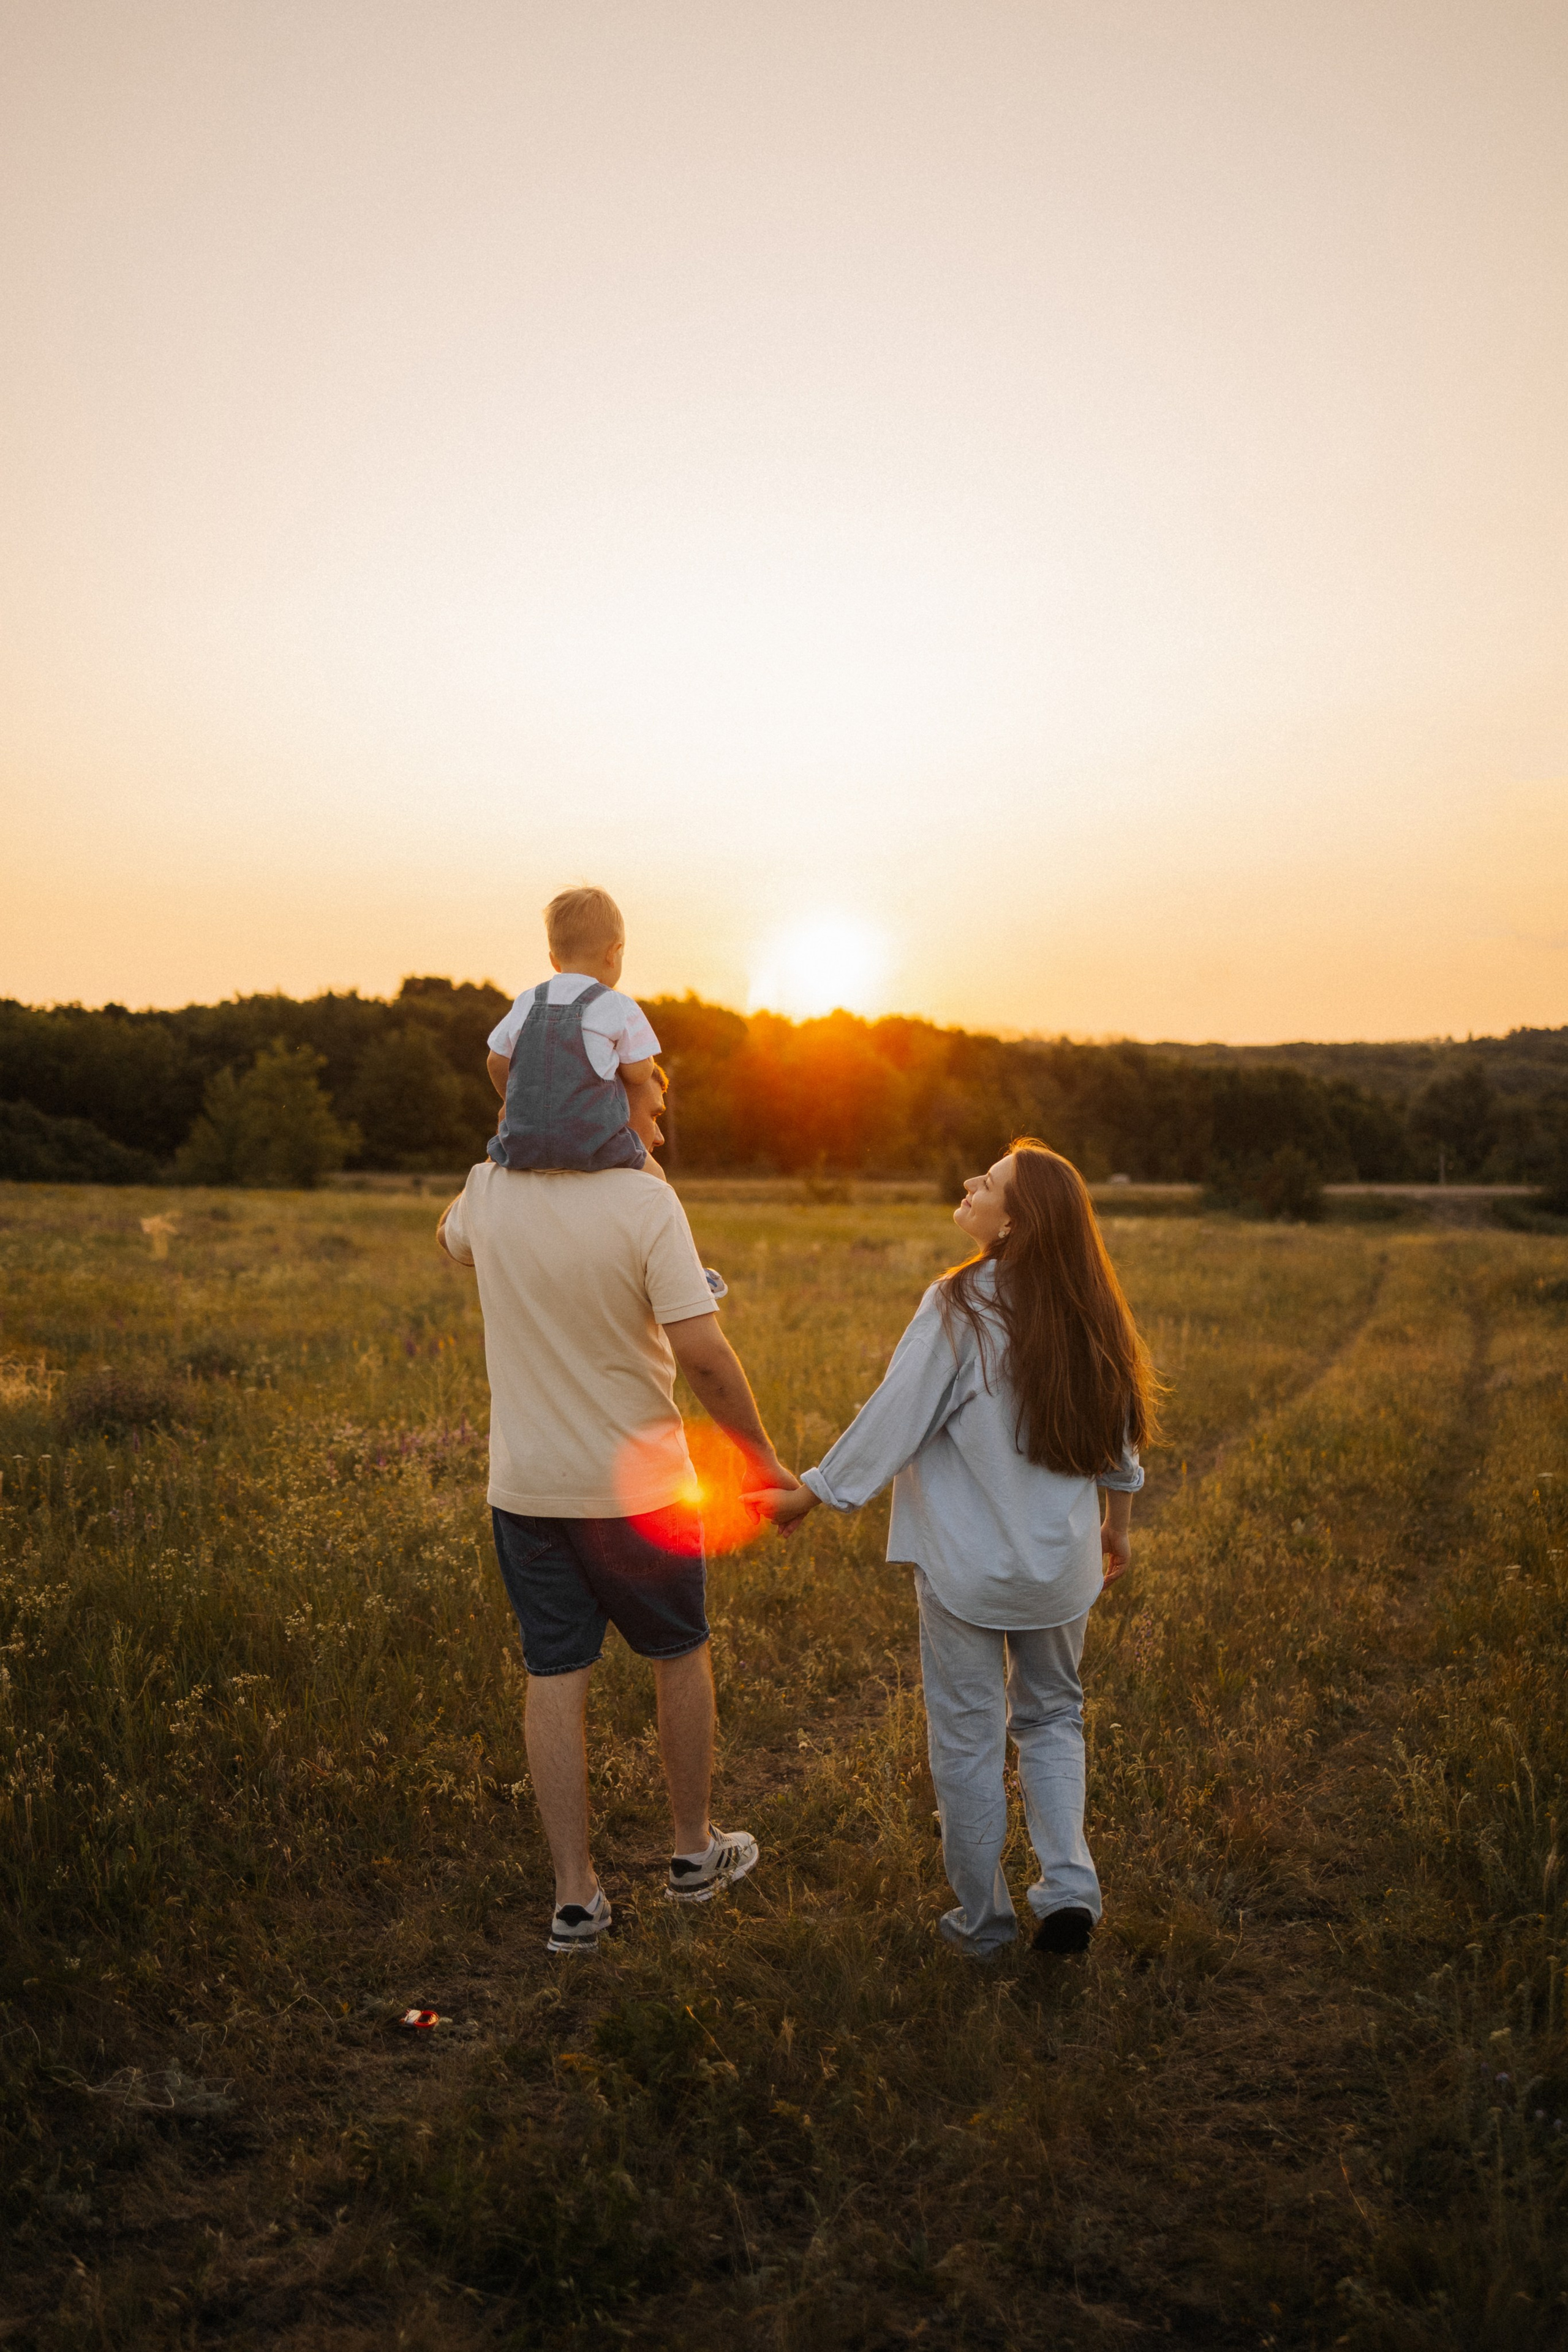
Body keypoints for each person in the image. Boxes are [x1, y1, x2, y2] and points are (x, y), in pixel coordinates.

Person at [763, 1140, 1158, 1959]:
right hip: (1060, 1567)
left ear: (1017, 1221)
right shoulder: (1091, 1308)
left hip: (966, 1569)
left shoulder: (961, 1304)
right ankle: (1071, 1889)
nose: (973, 1184)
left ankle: (982, 1928)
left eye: (992, 1182)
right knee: (1053, 1716)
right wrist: (1116, 1523)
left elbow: (895, 1413)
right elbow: (1119, 1437)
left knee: (969, 1738)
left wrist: (817, 1490)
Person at [439, 1063, 797, 1953]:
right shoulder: (645, 1202)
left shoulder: (488, 1189)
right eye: (656, 1111)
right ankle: (691, 1854)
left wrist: (509, 1131)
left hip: (526, 1490)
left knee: (554, 1675)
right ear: (612, 1103)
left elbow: (447, 1235)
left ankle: (575, 1900)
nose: (663, 1135)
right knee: (679, 1653)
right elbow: (706, 1356)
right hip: (639, 1496)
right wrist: (762, 1459)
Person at [486, 884, 658, 1173]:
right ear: (614, 954)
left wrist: (514, 1102)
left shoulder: (528, 1001)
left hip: (523, 1145)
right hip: (595, 1145)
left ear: (554, 959)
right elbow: (640, 1073)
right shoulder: (618, 1005)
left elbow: (495, 1060)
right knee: (655, 1176)